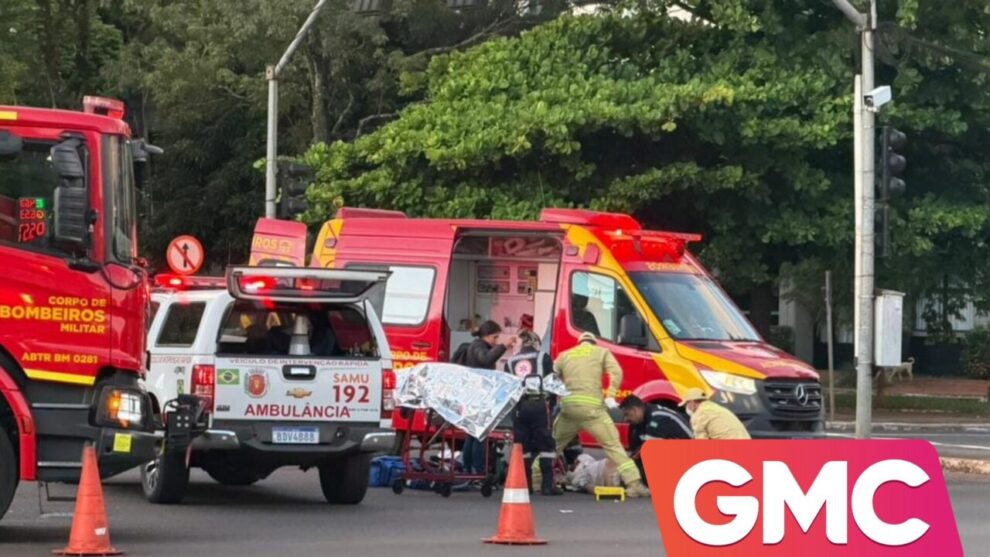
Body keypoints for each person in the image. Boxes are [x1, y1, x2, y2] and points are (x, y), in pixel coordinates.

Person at [552, 332, 650, 498]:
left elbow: (551, 375)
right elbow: (616, 372)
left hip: (569, 409)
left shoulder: (565, 355)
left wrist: (561, 394)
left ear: (579, 343)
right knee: (613, 446)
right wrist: (610, 394)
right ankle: (635, 484)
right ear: (594, 343)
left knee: (552, 446)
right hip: (593, 410)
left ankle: (536, 479)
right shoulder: (601, 352)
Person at [504, 330, 561, 495]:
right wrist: (551, 405)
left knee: (523, 446)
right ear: (536, 342)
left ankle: (526, 485)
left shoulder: (510, 361)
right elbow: (552, 383)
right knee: (545, 444)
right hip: (539, 405)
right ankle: (547, 486)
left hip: (520, 408)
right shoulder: (543, 357)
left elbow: (508, 388)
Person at [460, 320, 517, 477]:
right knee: (479, 435)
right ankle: (477, 470)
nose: (496, 341)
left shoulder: (477, 346)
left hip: (475, 397)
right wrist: (503, 346)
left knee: (473, 435)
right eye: (495, 337)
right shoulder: (478, 347)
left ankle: (469, 468)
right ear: (487, 336)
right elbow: (486, 359)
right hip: (477, 398)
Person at [620, 395, 692, 482]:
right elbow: (635, 450)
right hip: (672, 453)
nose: (625, 419)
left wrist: (626, 469)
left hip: (687, 456)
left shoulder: (657, 418)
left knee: (641, 473)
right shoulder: (639, 421)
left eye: (627, 415)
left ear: (635, 410)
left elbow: (645, 452)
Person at [679, 388, 751, 440]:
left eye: (686, 404)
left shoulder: (699, 414)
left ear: (692, 402)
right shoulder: (717, 408)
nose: (687, 407)